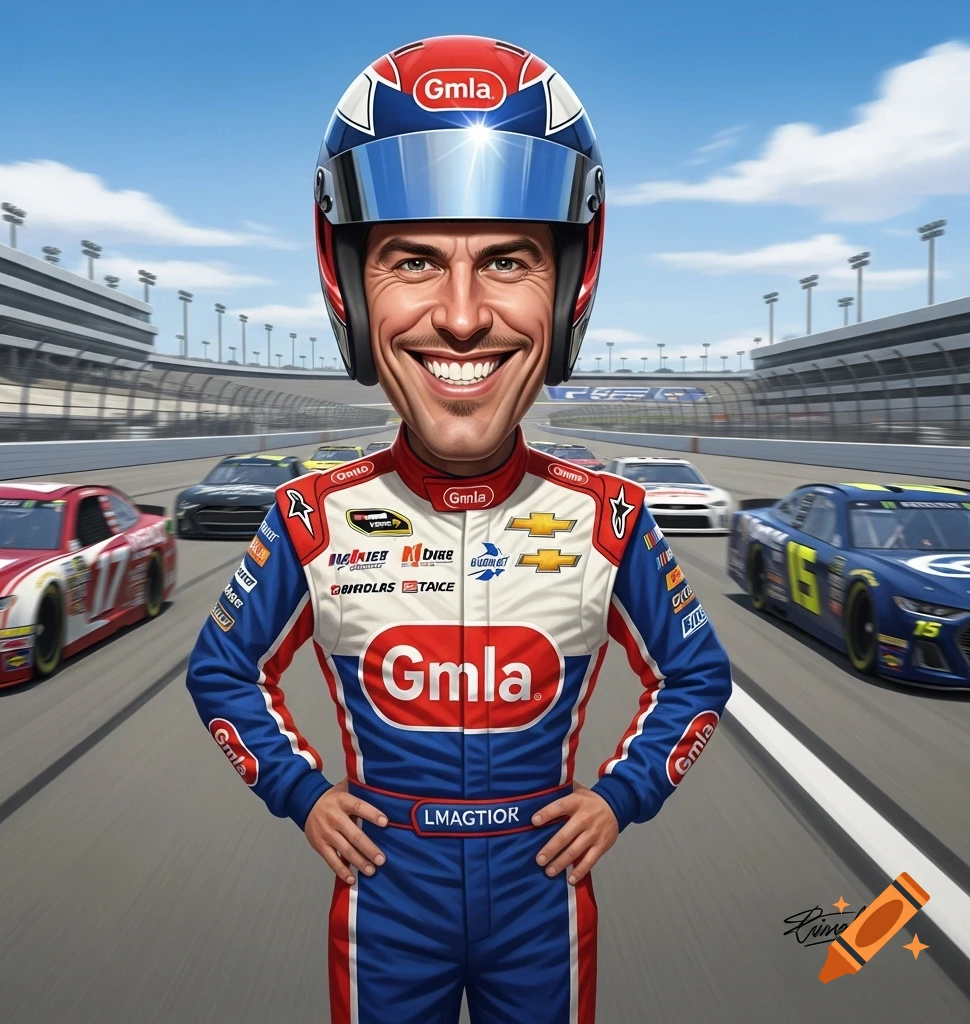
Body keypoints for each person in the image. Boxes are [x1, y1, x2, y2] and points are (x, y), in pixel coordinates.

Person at [185, 35, 732, 1024]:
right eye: (413, 258)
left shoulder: (612, 517)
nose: (464, 315)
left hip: (540, 899)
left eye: (509, 258)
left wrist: (623, 793)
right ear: (348, 285)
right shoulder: (310, 517)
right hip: (389, 898)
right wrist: (300, 792)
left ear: (570, 286)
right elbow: (219, 670)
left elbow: (697, 675)